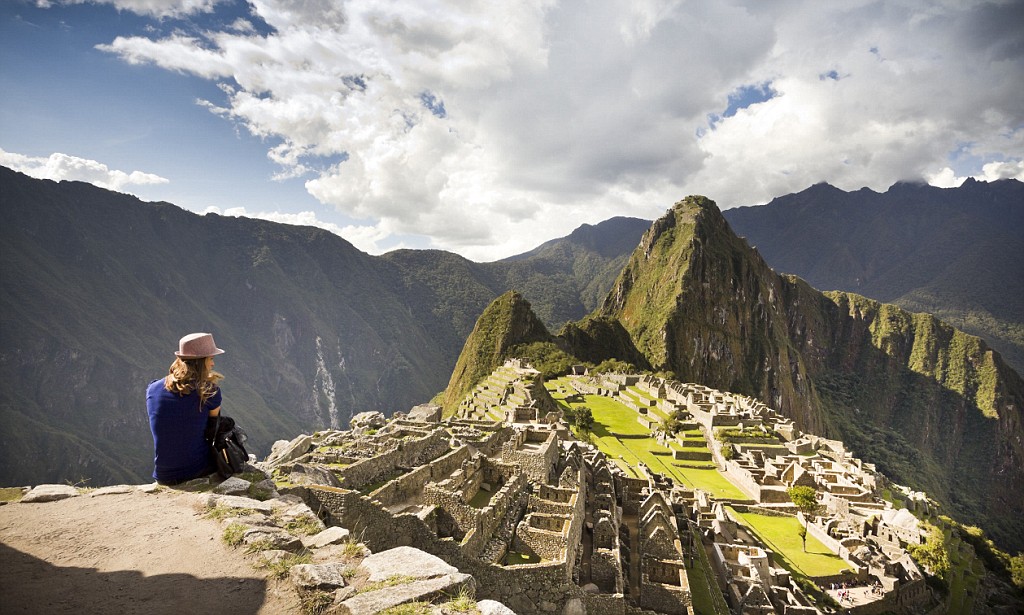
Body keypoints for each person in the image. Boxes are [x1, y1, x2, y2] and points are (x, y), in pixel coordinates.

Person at [146, 332, 225, 485]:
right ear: (201, 362)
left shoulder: (152, 388)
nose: (213, 364)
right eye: (211, 359)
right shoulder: (209, 391)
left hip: (162, 473)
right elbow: (213, 429)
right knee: (228, 427)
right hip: (195, 470)